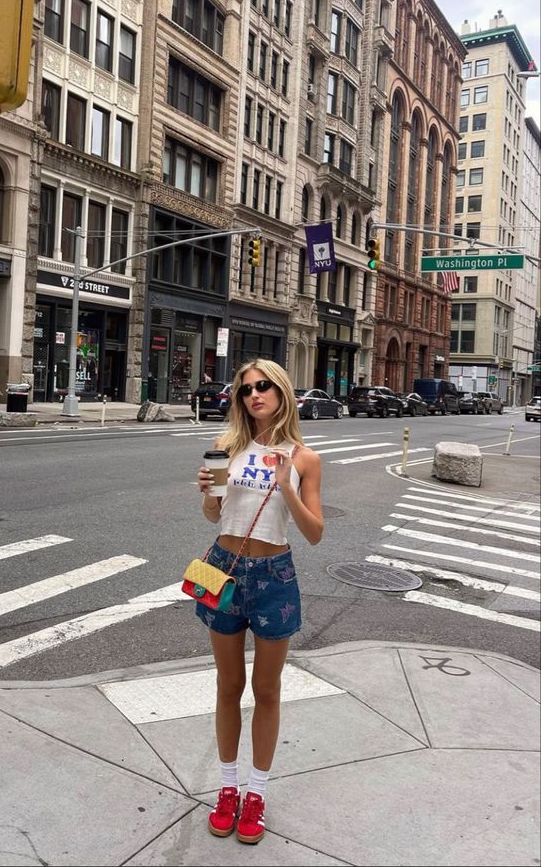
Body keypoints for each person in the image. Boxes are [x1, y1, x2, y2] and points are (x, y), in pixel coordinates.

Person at [196, 358, 324, 845]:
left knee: (266, 691)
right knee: (228, 685)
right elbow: (214, 517)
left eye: (264, 386)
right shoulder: (227, 448)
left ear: (282, 392)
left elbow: (314, 533)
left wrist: (286, 482)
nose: (255, 394)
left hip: (274, 575)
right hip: (223, 568)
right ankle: (226, 790)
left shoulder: (304, 458)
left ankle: (256, 794)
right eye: (246, 389)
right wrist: (208, 494)